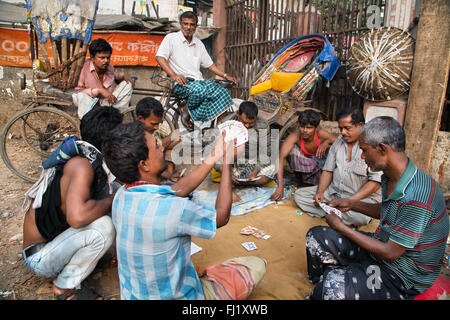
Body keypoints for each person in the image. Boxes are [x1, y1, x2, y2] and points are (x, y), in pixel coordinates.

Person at [102, 121, 266, 300]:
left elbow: (178, 188)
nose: (162, 148)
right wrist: (226, 162)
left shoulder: (121, 195)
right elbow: (221, 216)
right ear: (144, 164)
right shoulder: (174, 209)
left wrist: (215, 154)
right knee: (256, 264)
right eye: (157, 147)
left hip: (134, 296)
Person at [305, 116, 449, 300]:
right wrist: (352, 203)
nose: (362, 157)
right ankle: (342, 278)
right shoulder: (391, 176)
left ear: (382, 148)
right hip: (380, 249)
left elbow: (391, 253)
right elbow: (388, 211)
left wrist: (341, 227)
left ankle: (340, 279)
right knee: (316, 237)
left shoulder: (417, 195)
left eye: (364, 150)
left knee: (332, 287)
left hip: (402, 274)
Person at [21, 107, 123, 300]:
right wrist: (112, 200)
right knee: (104, 228)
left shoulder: (87, 156)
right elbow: (77, 218)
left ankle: (89, 257)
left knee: (114, 190)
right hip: (40, 257)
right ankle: (64, 287)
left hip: (56, 243)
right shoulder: (82, 166)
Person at [294, 106, 382, 226]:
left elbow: (375, 183)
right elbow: (327, 171)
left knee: (361, 217)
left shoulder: (371, 146)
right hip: (334, 194)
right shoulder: (337, 145)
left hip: (359, 200)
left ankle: (330, 212)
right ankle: (335, 212)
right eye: (341, 129)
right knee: (300, 196)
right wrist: (320, 192)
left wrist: (351, 202)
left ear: (360, 125)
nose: (343, 132)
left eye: (347, 128)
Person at [155, 11, 238, 129]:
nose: (188, 27)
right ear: (181, 24)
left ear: (195, 26)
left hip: (198, 82)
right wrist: (174, 76)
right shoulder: (171, 39)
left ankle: (217, 126)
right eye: (185, 24)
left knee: (223, 91)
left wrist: (225, 75)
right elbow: (160, 57)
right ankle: (186, 112)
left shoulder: (198, 43)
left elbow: (210, 65)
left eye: (192, 24)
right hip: (181, 83)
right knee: (200, 90)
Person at [212, 101, 277, 202]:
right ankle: (234, 179)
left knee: (272, 168)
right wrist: (226, 171)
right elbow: (214, 150)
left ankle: (235, 181)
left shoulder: (263, 125)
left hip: (254, 161)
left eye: (251, 123)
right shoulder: (225, 123)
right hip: (232, 161)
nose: (246, 126)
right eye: (244, 122)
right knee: (215, 165)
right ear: (237, 113)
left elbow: (265, 152)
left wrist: (255, 172)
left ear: (256, 117)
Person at [270, 109, 337, 201]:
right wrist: (280, 186)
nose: (305, 130)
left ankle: (317, 183)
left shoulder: (321, 134)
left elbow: (338, 142)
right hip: (307, 165)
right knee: (291, 151)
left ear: (316, 128)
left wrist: (327, 142)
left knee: (333, 150)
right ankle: (302, 181)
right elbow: (280, 158)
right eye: (302, 127)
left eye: (309, 128)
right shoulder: (294, 137)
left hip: (321, 166)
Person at [73, 38, 135, 119]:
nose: (106, 61)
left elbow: (113, 76)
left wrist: (123, 76)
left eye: (108, 57)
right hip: (90, 104)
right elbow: (77, 91)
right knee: (81, 96)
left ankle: (114, 116)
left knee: (127, 84)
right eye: (102, 58)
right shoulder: (83, 68)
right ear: (92, 57)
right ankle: (89, 122)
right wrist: (99, 91)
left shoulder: (109, 67)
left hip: (106, 103)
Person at [136, 97, 182, 182]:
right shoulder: (134, 137)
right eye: (153, 124)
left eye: (159, 123)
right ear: (140, 119)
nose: (157, 127)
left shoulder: (156, 127)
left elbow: (177, 138)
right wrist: (166, 142)